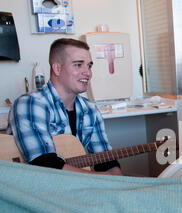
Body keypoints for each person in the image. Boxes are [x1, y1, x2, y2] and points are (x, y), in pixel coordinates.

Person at [8, 38, 123, 176]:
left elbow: (106, 160)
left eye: (89, 66)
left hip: (75, 185)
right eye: (78, 65)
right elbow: (44, 164)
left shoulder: (90, 110)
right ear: (57, 68)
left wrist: (118, 181)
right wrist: (102, 178)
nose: (88, 72)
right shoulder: (30, 104)